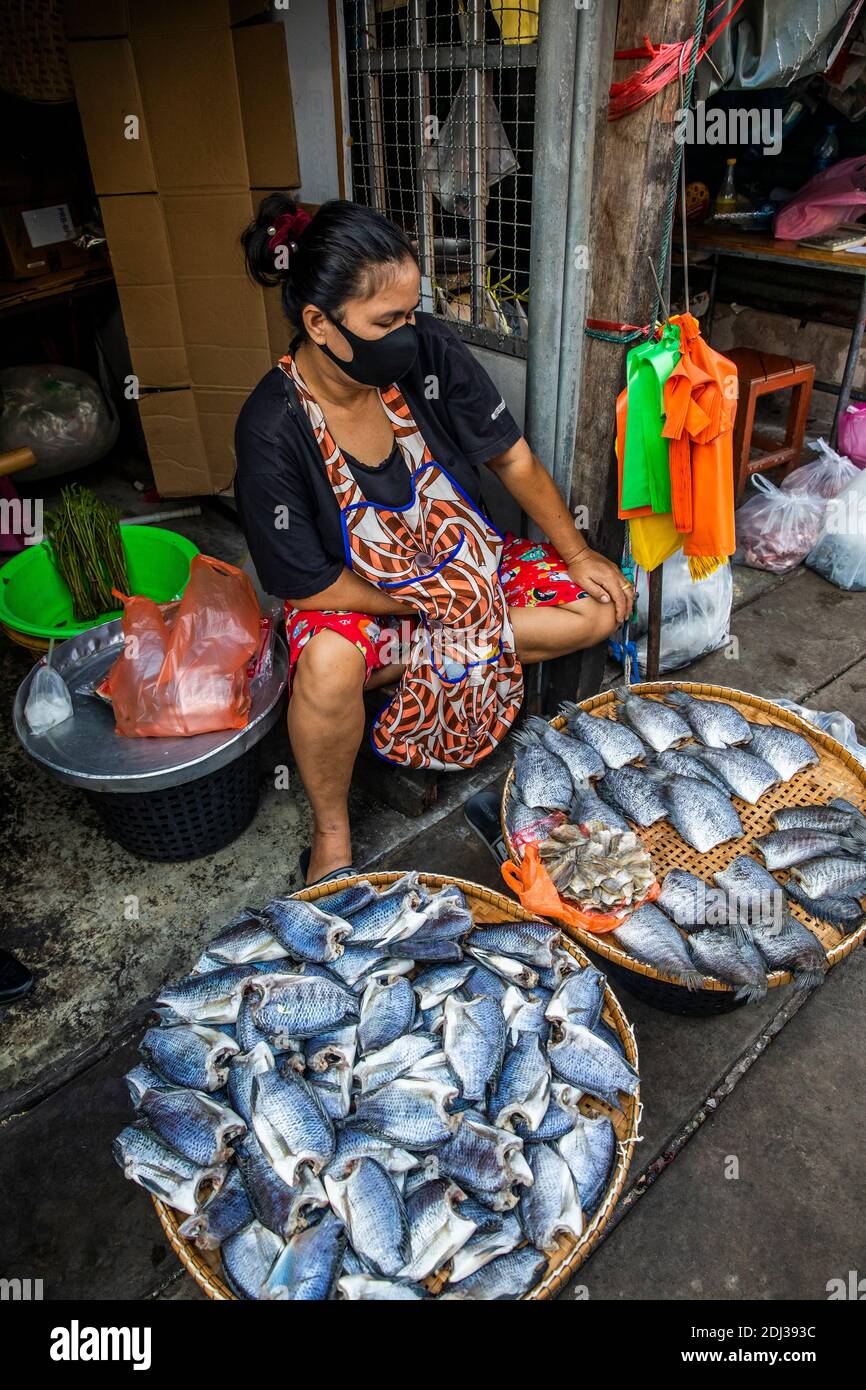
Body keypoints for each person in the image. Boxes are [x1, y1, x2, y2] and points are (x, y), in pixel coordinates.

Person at [235, 195, 632, 885]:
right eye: (386, 321)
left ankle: (435, 655)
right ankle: (332, 830)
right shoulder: (273, 424)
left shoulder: (427, 354)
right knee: (330, 668)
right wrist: (426, 609)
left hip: (467, 568)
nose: (407, 331)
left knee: (601, 608)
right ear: (319, 323)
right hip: (358, 600)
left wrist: (577, 551)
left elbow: (510, 457)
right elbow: (306, 581)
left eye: (411, 311)